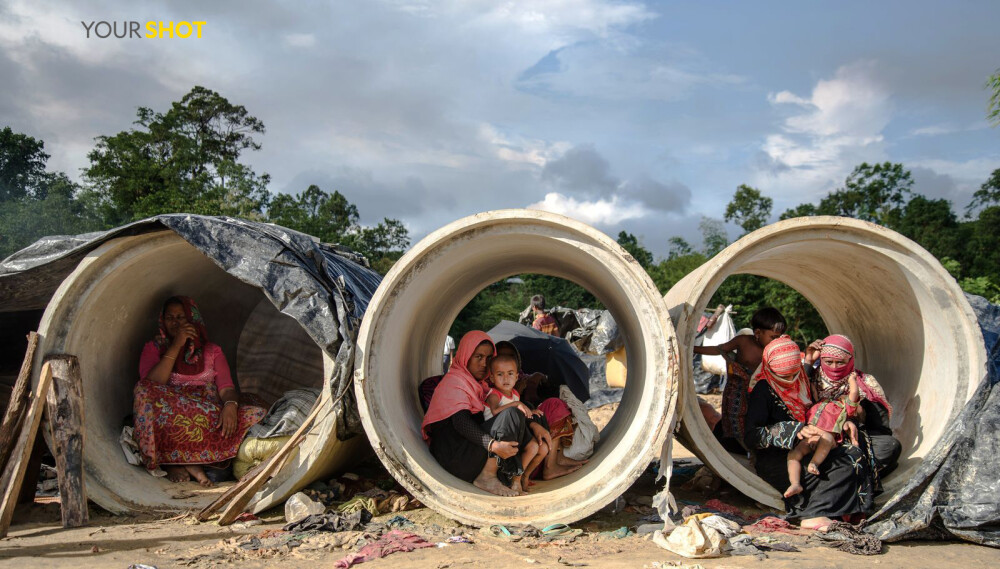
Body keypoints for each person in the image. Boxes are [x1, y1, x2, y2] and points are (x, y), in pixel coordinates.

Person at [744, 336, 880, 531]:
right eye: (784, 377)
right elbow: (751, 436)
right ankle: (813, 513)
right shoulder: (762, 390)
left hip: (811, 445)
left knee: (853, 457)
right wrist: (792, 429)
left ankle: (840, 510)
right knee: (826, 471)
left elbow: (825, 410)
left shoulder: (804, 380)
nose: (791, 381)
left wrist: (844, 422)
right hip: (778, 456)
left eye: (794, 375)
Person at [133, 296, 265, 486]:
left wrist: (230, 405)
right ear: (163, 320)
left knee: (257, 414)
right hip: (172, 421)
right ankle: (171, 461)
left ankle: (188, 462)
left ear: (192, 320)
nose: (175, 323)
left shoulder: (212, 351)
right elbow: (152, 384)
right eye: (170, 318)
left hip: (207, 418)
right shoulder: (154, 348)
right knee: (142, 390)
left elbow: (226, 388)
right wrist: (177, 344)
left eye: (181, 317)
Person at [421, 331, 552, 496]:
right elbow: (461, 423)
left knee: (527, 413)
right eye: (478, 357)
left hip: (472, 452)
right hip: (455, 457)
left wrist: (533, 424)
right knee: (511, 413)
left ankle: (515, 477)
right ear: (465, 356)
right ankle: (487, 476)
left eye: (489, 358)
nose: (484, 363)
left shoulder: (478, 385)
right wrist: (494, 446)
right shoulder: (454, 383)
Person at [803, 334, 901, 477]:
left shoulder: (866, 384)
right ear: (821, 359)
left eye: (840, 363)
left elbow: (880, 429)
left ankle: (843, 471)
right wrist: (808, 362)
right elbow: (793, 398)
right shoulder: (812, 379)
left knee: (890, 446)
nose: (834, 367)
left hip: (853, 441)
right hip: (816, 439)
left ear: (850, 360)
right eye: (829, 362)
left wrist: (853, 422)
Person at [694, 307, 787, 453]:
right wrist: (693, 349)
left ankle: (755, 451)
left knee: (755, 422)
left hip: (758, 394)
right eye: (773, 337)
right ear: (757, 333)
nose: (776, 341)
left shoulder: (776, 350)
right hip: (736, 391)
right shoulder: (743, 341)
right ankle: (741, 450)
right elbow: (719, 349)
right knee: (733, 421)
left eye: (779, 337)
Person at [784, 370, 860, 498]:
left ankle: (814, 463)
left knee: (827, 438)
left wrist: (852, 380)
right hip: (810, 436)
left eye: (842, 396)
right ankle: (795, 483)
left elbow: (854, 393)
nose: (838, 396)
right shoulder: (821, 402)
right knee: (794, 454)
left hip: (826, 438)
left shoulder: (844, 408)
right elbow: (812, 389)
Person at [484, 354, 545, 491]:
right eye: (500, 374)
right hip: (496, 433)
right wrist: (517, 404)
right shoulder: (494, 394)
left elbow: (518, 413)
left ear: (517, 377)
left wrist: (530, 411)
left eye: (510, 374)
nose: (506, 379)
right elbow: (495, 411)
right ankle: (509, 478)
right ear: (492, 378)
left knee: (535, 446)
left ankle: (517, 478)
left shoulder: (515, 394)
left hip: (514, 432)